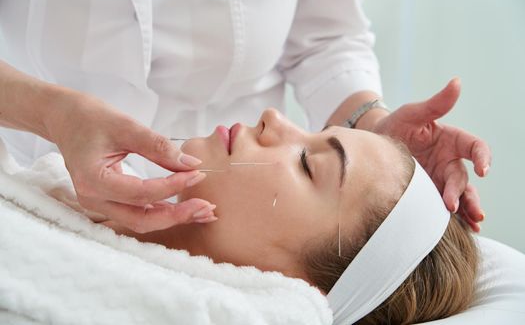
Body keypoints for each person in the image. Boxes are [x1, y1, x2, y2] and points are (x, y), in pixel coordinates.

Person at [0, 0, 490, 235]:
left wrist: (368, 126)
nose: (274, 117)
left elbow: (326, 35)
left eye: (309, 157)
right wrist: (50, 112)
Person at [97, 108, 479, 324]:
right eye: (315, 131)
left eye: (307, 163)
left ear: (298, 292)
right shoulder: (71, 184)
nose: (273, 117)